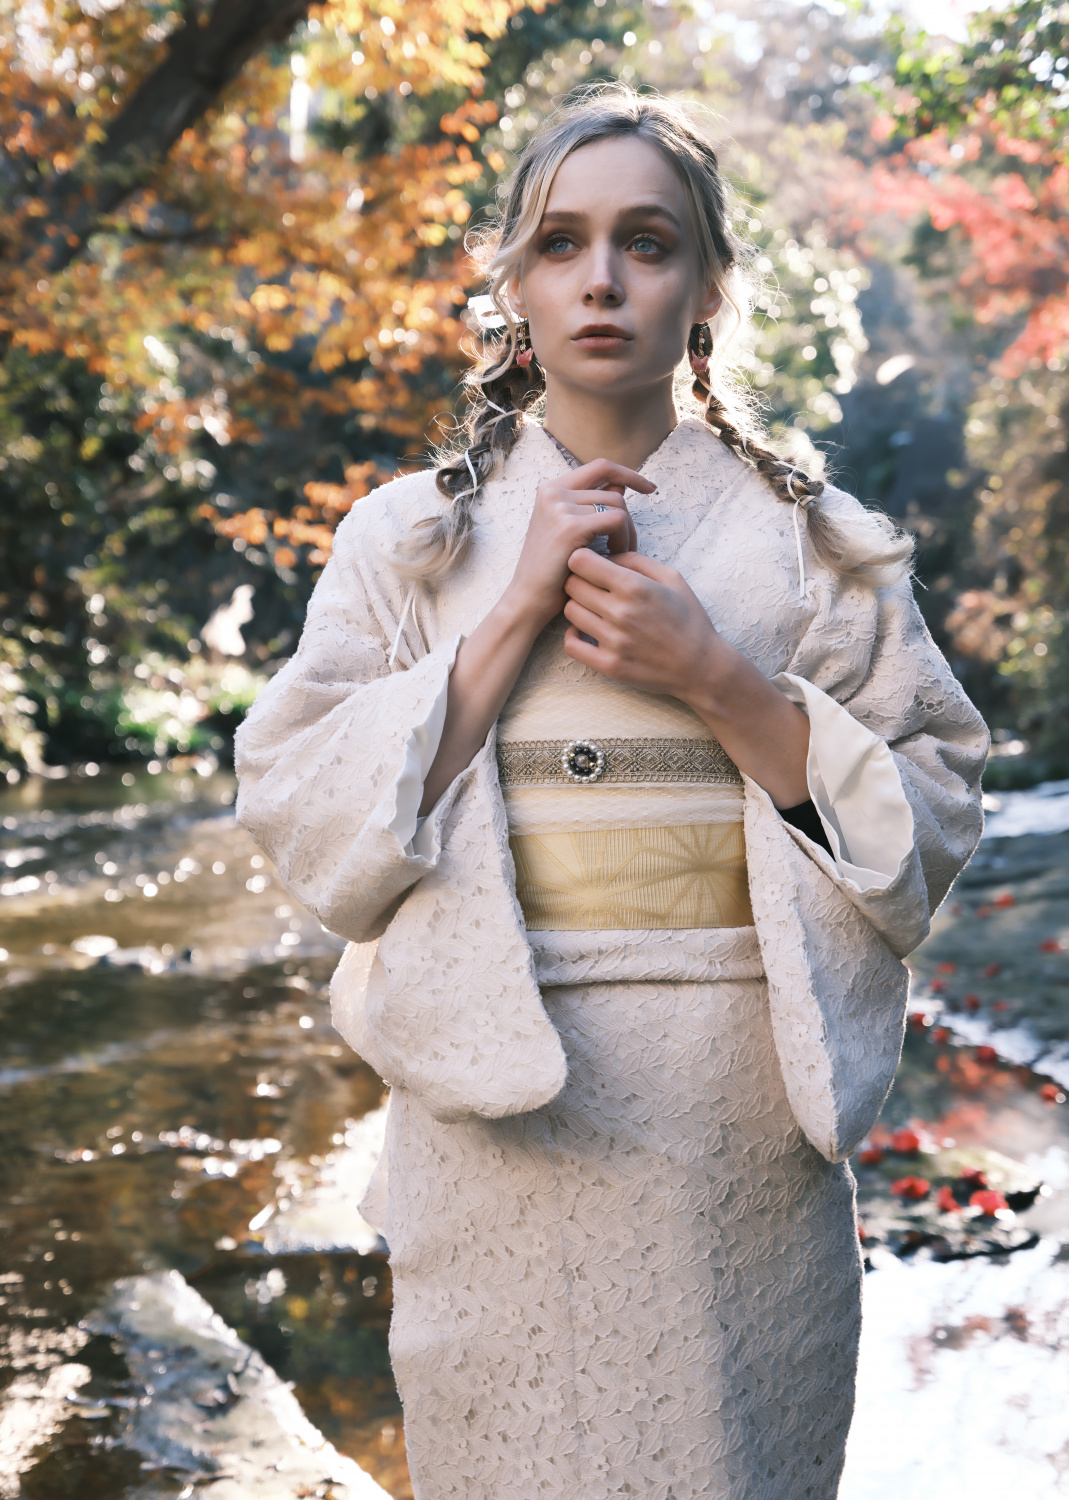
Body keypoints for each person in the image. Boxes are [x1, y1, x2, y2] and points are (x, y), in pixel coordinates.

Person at [235, 85, 987, 1500]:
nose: (601, 279)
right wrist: (513, 608)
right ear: (513, 286)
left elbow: (935, 809)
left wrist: (718, 679)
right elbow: (299, 807)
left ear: (705, 288)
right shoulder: (409, 540)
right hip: (495, 1131)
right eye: (561, 242)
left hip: (732, 1128)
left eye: (646, 242)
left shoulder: (817, 545)